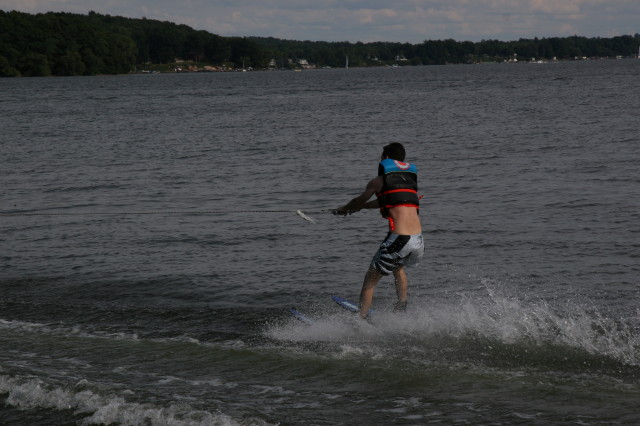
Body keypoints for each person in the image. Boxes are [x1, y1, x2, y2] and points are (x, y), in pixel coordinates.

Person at [335, 142, 424, 319]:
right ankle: (401, 308)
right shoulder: (409, 182)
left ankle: (359, 320)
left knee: (370, 280)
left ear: (386, 158)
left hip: (399, 239)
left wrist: (344, 209)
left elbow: (359, 200)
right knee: (398, 267)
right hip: (418, 240)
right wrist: (360, 208)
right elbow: (384, 202)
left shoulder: (378, 181)